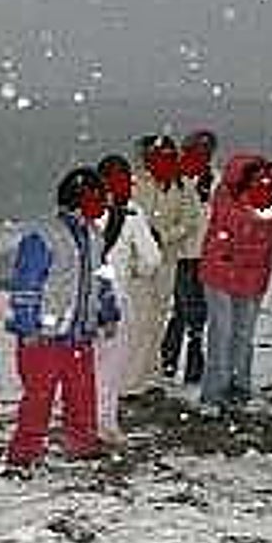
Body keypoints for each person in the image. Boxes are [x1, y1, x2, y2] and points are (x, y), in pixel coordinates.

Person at [5, 167, 120, 471]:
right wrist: (27, 326)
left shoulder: (94, 236)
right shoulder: (44, 235)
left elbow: (102, 278)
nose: (102, 205)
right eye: (96, 198)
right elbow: (26, 283)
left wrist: (108, 312)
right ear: (79, 198)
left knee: (82, 393)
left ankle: (81, 441)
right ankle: (24, 452)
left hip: (80, 332)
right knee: (38, 398)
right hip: (44, 336)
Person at [198, 154, 272, 416]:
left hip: (253, 275)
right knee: (222, 333)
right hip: (221, 271)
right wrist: (269, 210)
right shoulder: (228, 193)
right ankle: (214, 392)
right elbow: (232, 221)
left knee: (243, 334)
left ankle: (238, 387)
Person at [128, 134, 205, 392]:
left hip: (167, 259)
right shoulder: (135, 183)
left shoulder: (182, 185)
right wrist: (142, 238)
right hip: (136, 262)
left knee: (158, 317)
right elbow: (125, 217)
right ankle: (133, 376)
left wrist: (164, 236)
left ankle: (152, 372)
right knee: (140, 317)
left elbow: (190, 220)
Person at [94, 155, 161, 445]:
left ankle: (80, 418)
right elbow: (152, 259)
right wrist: (134, 270)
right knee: (110, 367)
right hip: (117, 298)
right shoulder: (133, 213)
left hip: (84, 299)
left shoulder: (85, 209)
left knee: (83, 364)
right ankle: (105, 422)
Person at [160, 130, 216, 384]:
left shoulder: (216, 180)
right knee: (189, 312)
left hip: (205, 254)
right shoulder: (177, 180)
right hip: (183, 255)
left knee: (186, 312)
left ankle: (173, 363)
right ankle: (179, 364)